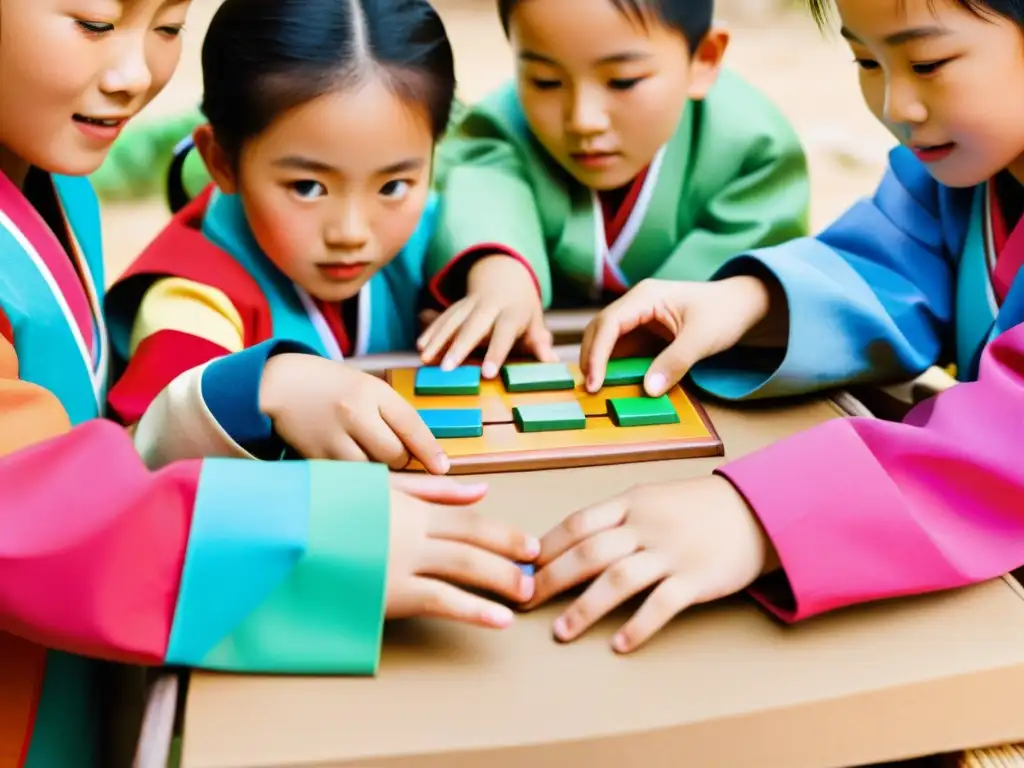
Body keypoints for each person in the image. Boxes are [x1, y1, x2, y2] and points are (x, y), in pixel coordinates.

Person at [0, 0, 537, 763]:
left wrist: (496, 261)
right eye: (93, 21)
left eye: (167, 25)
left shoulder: (54, 168)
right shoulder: (187, 275)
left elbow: (492, 180)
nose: (133, 75)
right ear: (222, 161)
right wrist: (315, 540)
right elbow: (24, 510)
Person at [521, 0, 1024, 652]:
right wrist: (748, 302)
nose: (898, 104)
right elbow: (889, 263)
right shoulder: (962, 177)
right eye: (867, 60)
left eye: (929, 62)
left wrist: (760, 515)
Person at [104, 0, 462, 473]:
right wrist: (262, 388)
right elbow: (151, 445)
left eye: (393, 185)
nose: (351, 233)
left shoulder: (434, 232)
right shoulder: (189, 300)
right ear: (222, 162)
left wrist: (500, 272)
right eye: (308, 187)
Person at [415, 0, 811, 378]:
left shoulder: (753, 149)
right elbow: (487, 184)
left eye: (623, 81)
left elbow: (743, 295)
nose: (583, 120)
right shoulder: (499, 126)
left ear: (704, 58)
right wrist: (499, 274)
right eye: (545, 80)